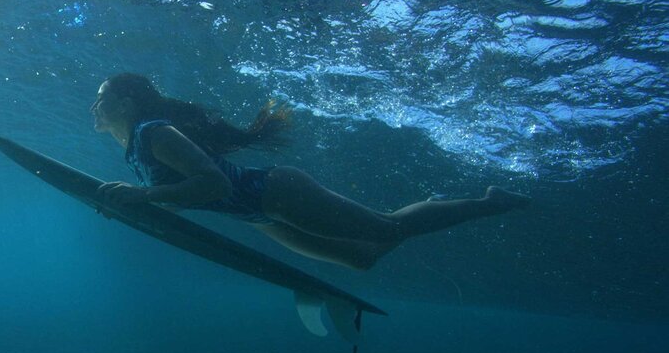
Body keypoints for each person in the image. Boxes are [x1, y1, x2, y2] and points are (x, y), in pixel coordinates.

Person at [91, 73, 530, 271]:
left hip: (276, 193)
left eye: (101, 96)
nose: (94, 105)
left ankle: (488, 202)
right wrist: (134, 205)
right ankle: (430, 209)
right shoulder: (135, 148)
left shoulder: (153, 132)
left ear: (127, 105)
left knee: (387, 230)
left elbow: (215, 183)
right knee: (362, 258)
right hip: (260, 215)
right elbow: (191, 196)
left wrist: (142, 197)